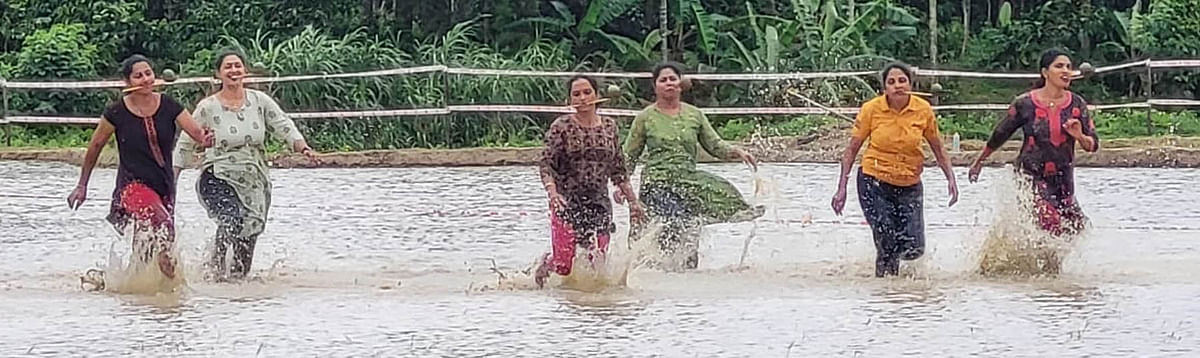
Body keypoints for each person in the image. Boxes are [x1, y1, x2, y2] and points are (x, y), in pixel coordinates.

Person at [174, 50, 317, 281]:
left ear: (245, 71)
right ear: (218, 74)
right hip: (217, 175)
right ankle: (216, 271)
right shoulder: (207, 107)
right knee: (231, 219)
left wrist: (302, 146)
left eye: (237, 66)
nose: (233, 71)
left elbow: (282, 123)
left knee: (251, 227)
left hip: (254, 179)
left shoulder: (259, 101)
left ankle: (239, 281)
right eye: (228, 67)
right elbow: (186, 142)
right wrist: (172, 177)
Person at [67, 54, 213, 279]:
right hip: (132, 185)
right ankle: (170, 285)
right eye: (138, 76)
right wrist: (82, 185)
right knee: (162, 224)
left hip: (164, 184)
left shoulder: (169, 105)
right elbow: (95, 146)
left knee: (149, 239)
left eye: (148, 73)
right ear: (127, 83)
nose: (145, 79)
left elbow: (196, 133)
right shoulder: (116, 112)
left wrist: (205, 139)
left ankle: (132, 286)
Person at [622, 62, 761, 270]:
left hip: (688, 182)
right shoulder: (645, 118)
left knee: (692, 226)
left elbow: (715, 145)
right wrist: (621, 186)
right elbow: (629, 156)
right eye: (663, 80)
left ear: (680, 84)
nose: (668, 83)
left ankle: (687, 279)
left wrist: (737, 151)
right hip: (656, 184)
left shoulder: (694, 115)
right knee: (673, 224)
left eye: (672, 78)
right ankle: (661, 274)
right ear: (655, 86)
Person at [830, 62, 958, 277]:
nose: (897, 86)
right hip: (874, 181)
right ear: (884, 88)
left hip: (909, 184)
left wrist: (951, 179)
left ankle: (901, 287)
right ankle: (886, 291)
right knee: (887, 238)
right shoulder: (872, 109)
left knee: (914, 247)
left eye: (902, 81)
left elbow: (937, 147)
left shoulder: (923, 110)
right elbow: (851, 150)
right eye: (891, 82)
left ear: (911, 84)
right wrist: (841, 187)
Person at [968, 49, 1099, 236]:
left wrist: (1079, 135)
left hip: (1063, 179)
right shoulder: (1025, 103)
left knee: (1077, 229)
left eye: (1069, 67)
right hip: (1030, 176)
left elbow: (1093, 145)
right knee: (1049, 223)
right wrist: (979, 161)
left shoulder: (1077, 105)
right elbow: (1001, 133)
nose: (1066, 71)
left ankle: (1051, 265)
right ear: (1045, 72)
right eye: (1059, 66)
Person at [533, 75, 645, 287]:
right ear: (570, 100)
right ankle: (548, 262)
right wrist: (552, 193)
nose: (582, 98)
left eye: (587, 93)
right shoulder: (561, 126)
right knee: (564, 266)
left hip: (599, 202)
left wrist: (633, 202)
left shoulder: (610, 127)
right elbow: (546, 164)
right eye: (576, 94)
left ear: (597, 95)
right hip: (566, 201)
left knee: (598, 263)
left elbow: (618, 168)